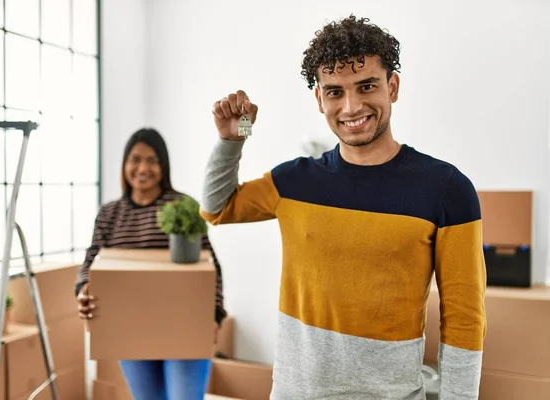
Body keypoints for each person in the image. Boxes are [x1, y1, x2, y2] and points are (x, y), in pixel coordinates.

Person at [200, 15, 486, 400]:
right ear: (319, 99)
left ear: (393, 87)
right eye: (335, 91)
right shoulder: (293, 182)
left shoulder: (447, 189)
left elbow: (465, 319)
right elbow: (217, 208)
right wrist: (236, 139)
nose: (351, 107)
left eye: (366, 86)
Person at [75, 128, 226, 400]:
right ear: (124, 164)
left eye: (152, 160)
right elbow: (91, 261)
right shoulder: (110, 214)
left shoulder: (183, 206)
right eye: (135, 159)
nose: (142, 168)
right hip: (131, 328)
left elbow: (209, 264)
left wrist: (214, 314)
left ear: (163, 166)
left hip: (185, 326)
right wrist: (84, 289)